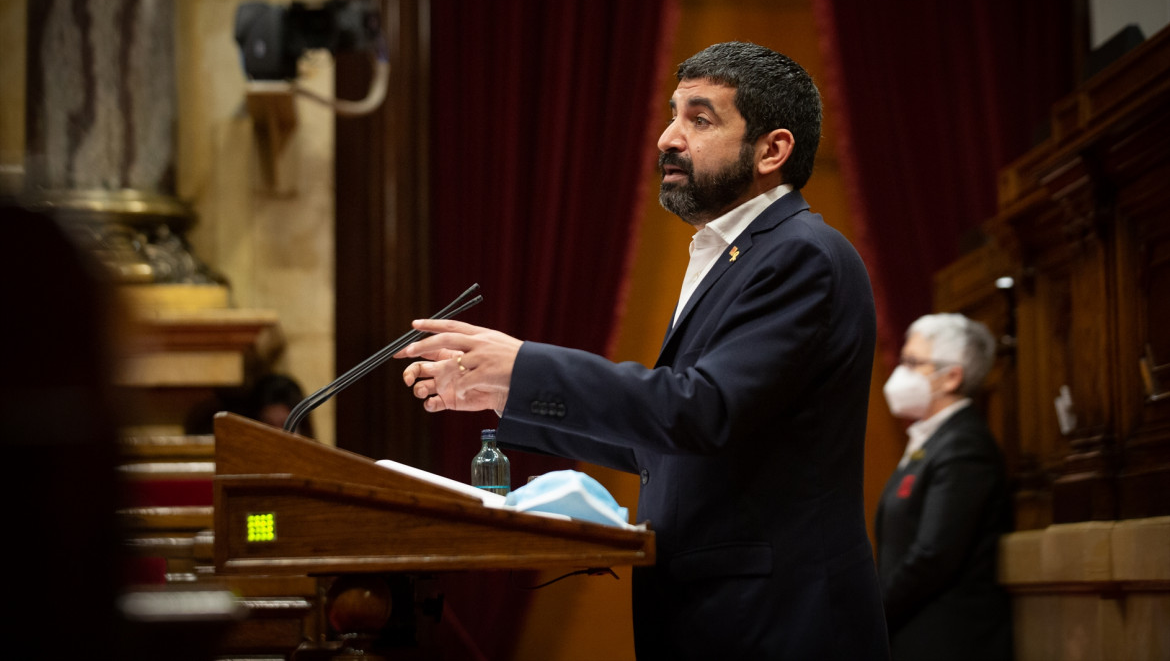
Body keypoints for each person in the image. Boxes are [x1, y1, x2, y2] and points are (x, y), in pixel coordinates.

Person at [399, 42, 889, 659]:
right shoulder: (739, 254)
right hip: (720, 619)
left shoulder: (799, 255)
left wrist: (526, 366)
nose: (667, 138)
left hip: (776, 623)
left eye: (699, 119)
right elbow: (664, 444)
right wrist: (506, 393)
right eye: (673, 114)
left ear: (772, 150)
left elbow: (702, 410)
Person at [876, 313, 1013, 661]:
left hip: (947, 641)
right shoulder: (933, 441)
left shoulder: (963, 446)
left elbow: (933, 556)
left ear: (952, 377)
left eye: (912, 362)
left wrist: (870, 612)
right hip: (915, 634)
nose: (899, 373)